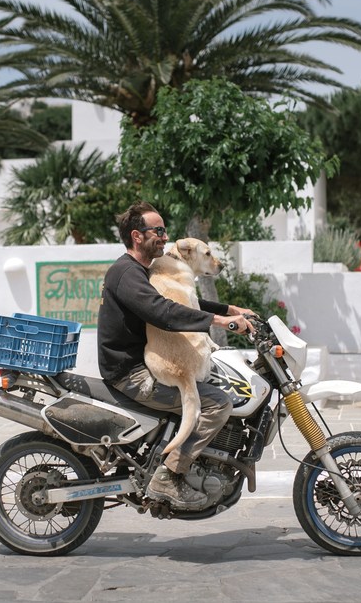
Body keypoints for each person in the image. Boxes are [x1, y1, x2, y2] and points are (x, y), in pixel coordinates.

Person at [97, 201, 255, 510]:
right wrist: (219, 322)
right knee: (218, 403)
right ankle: (169, 475)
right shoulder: (126, 273)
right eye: (157, 230)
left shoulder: (142, 271)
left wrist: (229, 310)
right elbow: (161, 311)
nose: (164, 236)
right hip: (131, 373)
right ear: (136, 236)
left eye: (164, 230)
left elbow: (179, 302)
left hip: (139, 366)